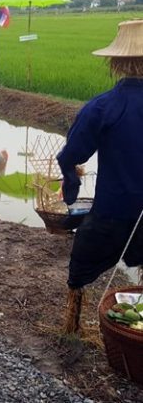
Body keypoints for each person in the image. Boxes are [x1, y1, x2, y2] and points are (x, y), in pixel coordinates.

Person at [57, 20, 143, 329]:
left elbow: (71, 154)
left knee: (80, 267)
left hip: (113, 211)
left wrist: (71, 179)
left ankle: (72, 325)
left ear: (116, 62)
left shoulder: (103, 106)